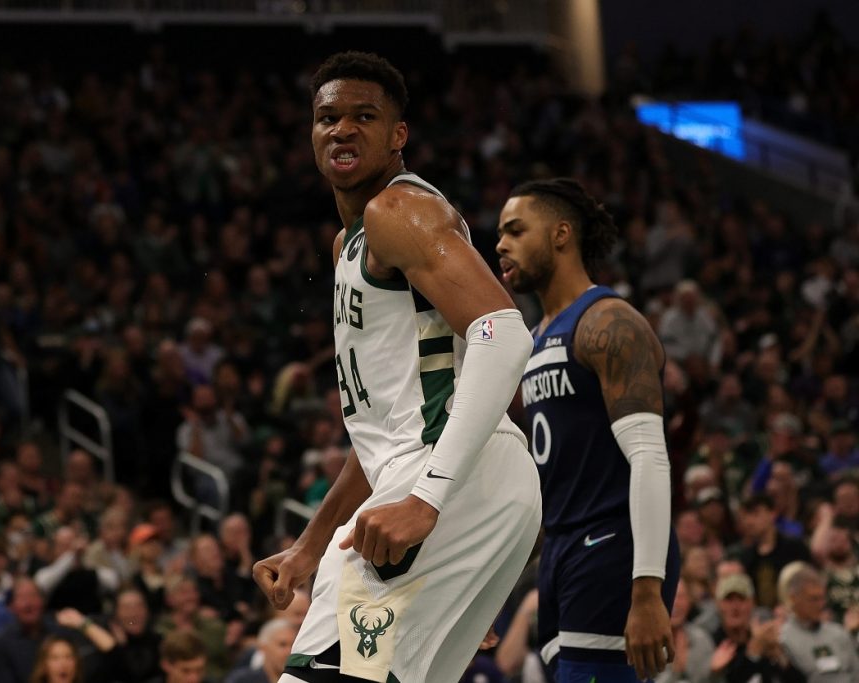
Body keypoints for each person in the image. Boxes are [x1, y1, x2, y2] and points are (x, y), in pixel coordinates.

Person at [253, 52, 541, 683]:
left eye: (364, 116)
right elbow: (386, 427)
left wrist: (430, 503)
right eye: (328, 117)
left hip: (448, 478)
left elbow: (504, 335)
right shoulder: (349, 244)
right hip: (444, 476)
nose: (342, 129)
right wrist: (311, 543)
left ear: (398, 135)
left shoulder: (398, 212)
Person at [495, 177, 679, 681]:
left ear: (560, 234)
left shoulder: (609, 323)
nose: (500, 244)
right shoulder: (533, 339)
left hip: (613, 542)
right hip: (560, 548)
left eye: (515, 230)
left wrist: (646, 589)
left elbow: (649, 455)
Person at [778, 565, 859, 681]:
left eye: (822, 598)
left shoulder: (838, 632)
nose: (821, 605)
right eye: (813, 599)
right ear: (793, 599)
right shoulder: (784, 639)